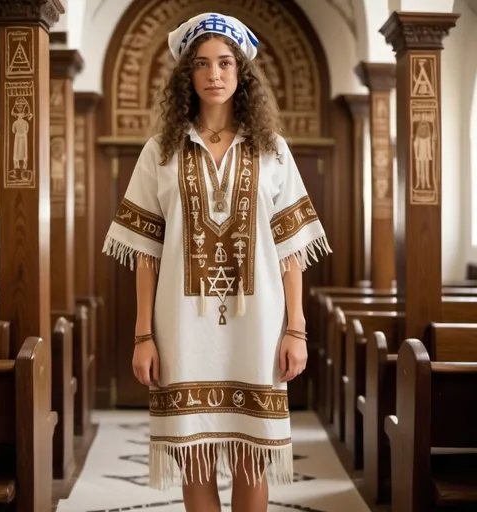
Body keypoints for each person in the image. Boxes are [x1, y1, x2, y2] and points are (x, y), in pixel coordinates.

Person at [103, 12, 331, 512]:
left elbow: (292, 247)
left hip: (259, 325)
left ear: (241, 71)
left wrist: (297, 328)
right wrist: (144, 336)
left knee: (253, 455)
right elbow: (145, 251)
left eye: (225, 63)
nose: (214, 74)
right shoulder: (159, 152)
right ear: (187, 74)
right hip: (183, 327)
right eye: (202, 64)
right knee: (196, 455)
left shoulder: (273, 151)